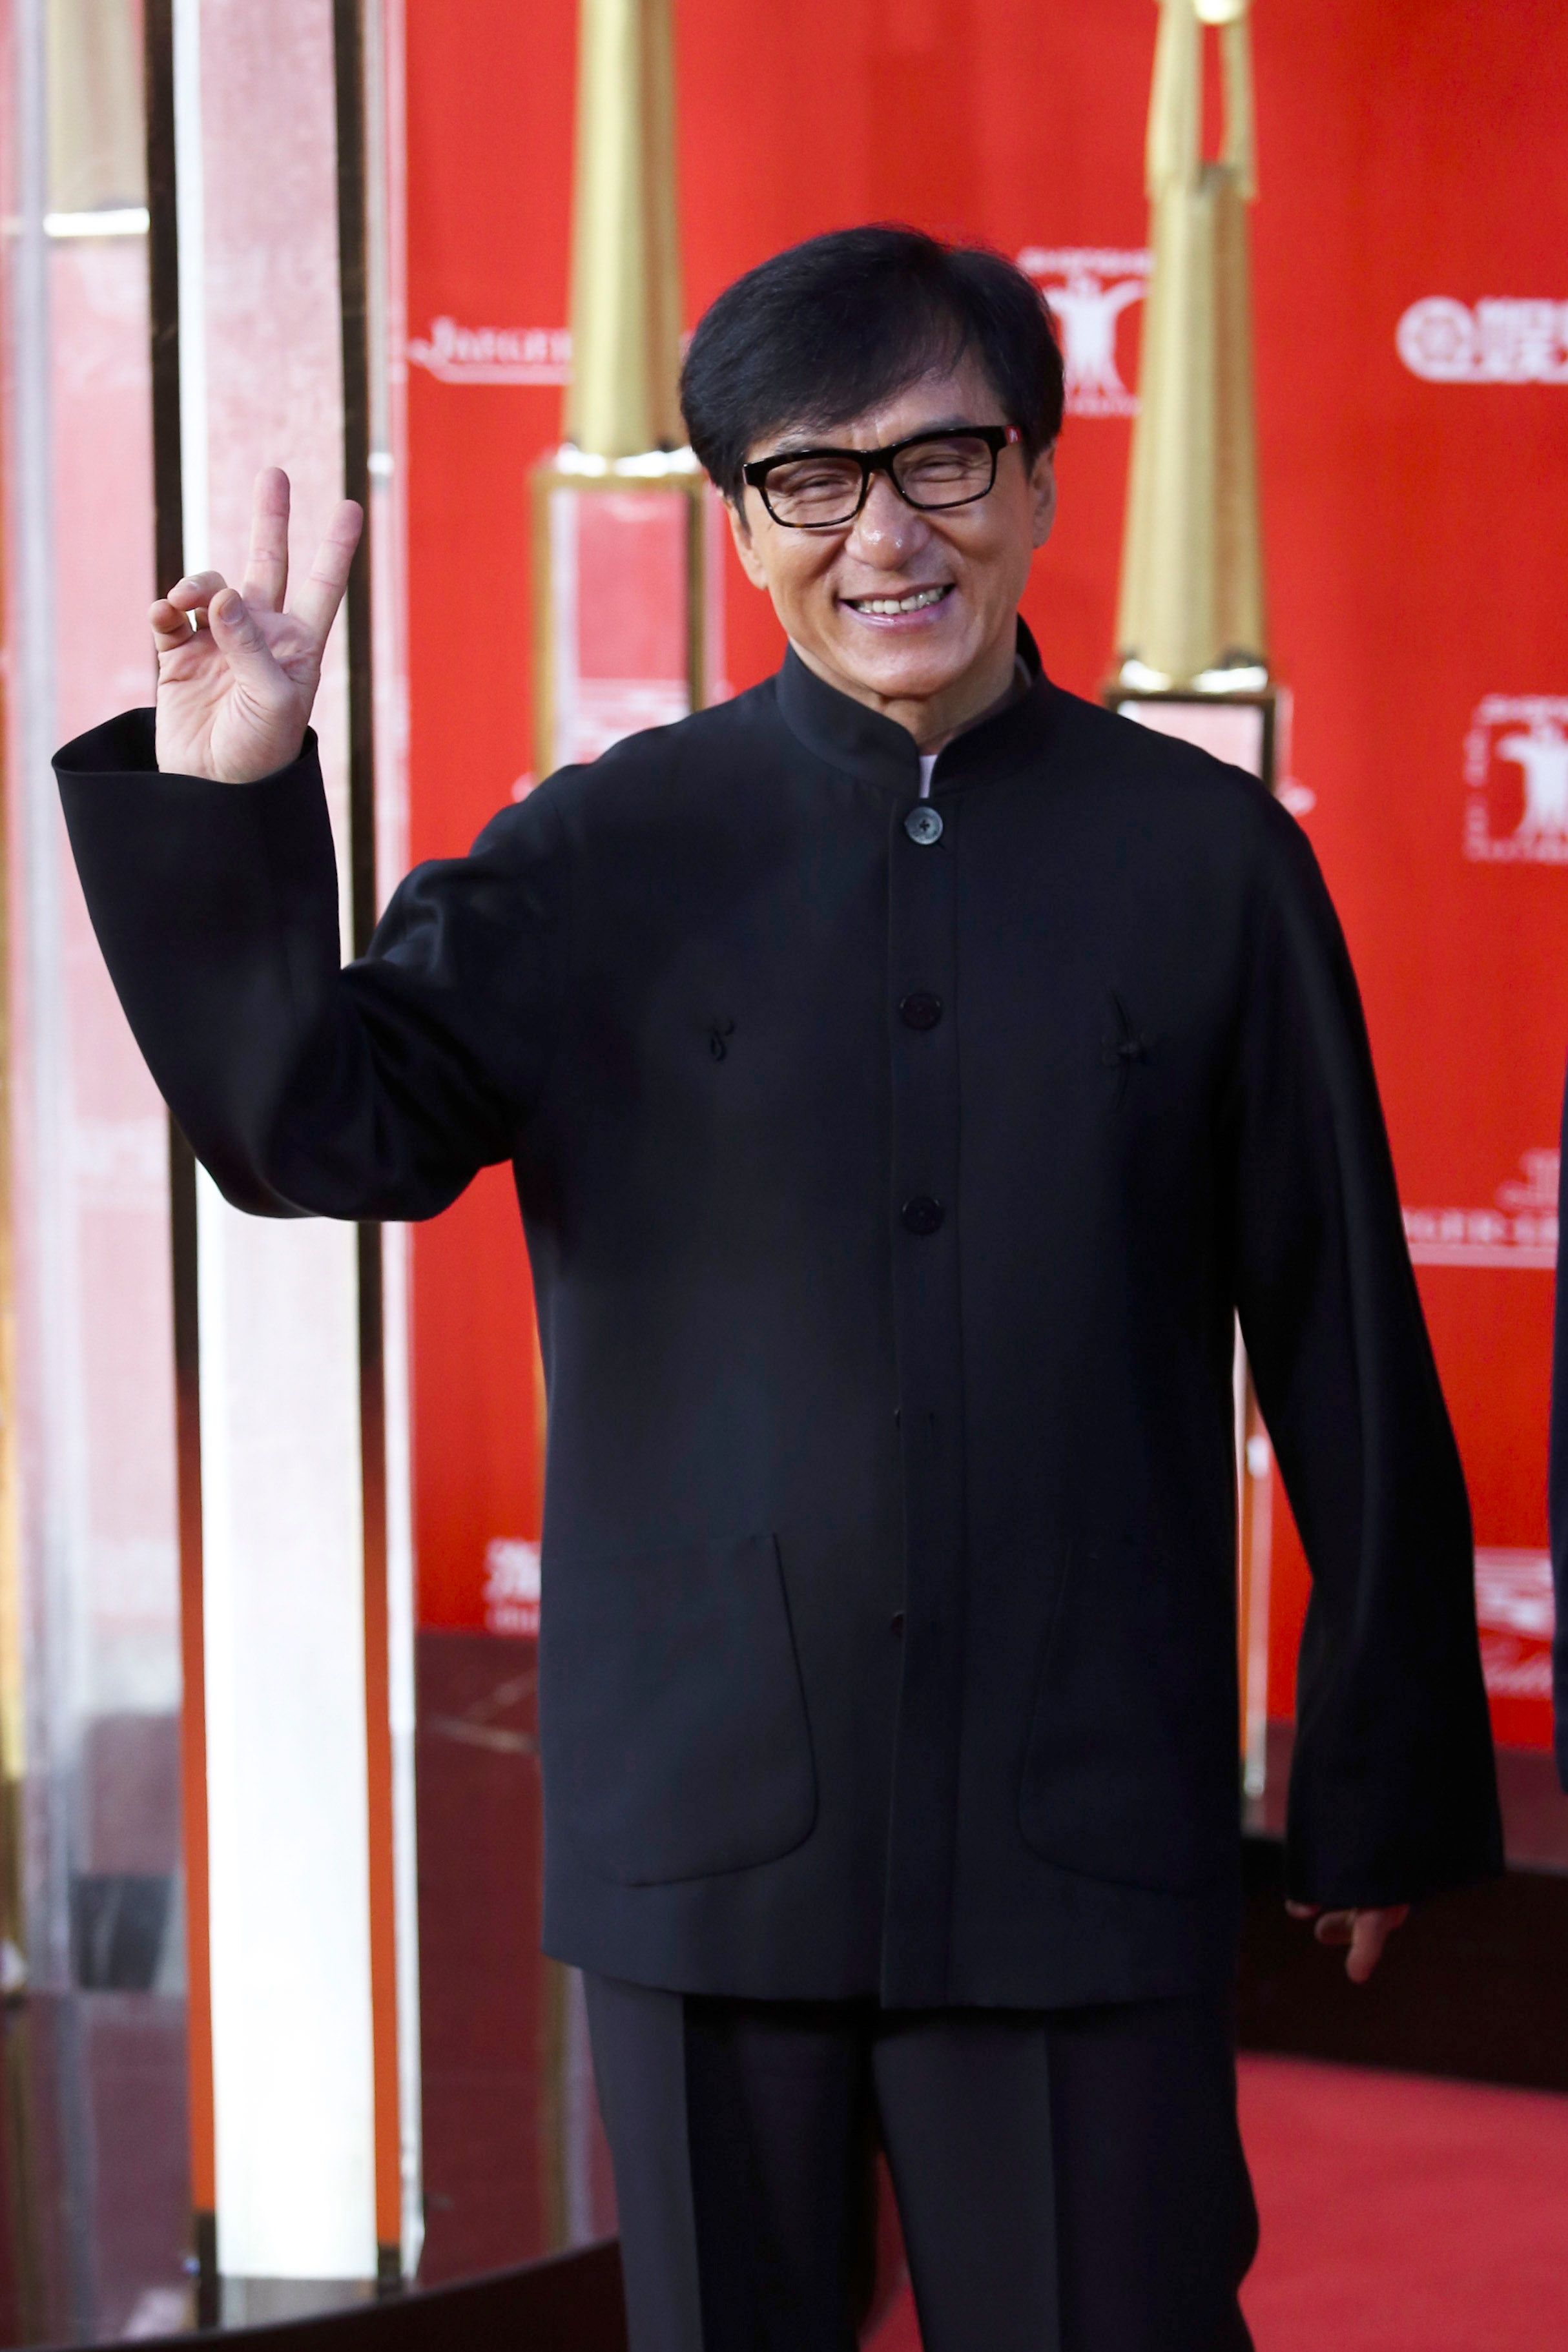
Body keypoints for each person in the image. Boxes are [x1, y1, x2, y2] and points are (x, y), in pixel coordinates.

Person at [57, 227, 1500, 2351]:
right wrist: (244, 780)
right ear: (738, 523)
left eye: (941, 461)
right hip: (707, 1830)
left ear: (1035, 478)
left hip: (1079, 1826)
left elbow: (1341, 1335)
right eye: (810, 479)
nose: (883, 533)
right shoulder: (597, 852)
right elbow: (314, 1136)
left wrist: (1376, 1766)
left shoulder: (1206, 864)